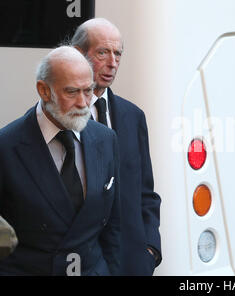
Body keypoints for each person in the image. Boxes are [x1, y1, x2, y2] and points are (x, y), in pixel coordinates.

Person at [0, 46, 121, 275]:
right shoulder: (6, 147)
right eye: (72, 92)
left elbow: (114, 226)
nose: (84, 103)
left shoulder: (106, 139)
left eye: (89, 91)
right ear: (44, 91)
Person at [71, 18, 162, 275]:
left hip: (133, 263)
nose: (112, 63)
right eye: (102, 53)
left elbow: (146, 193)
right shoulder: (62, 118)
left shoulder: (133, 116)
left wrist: (150, 249)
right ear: (79, 55)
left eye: (117, 54)